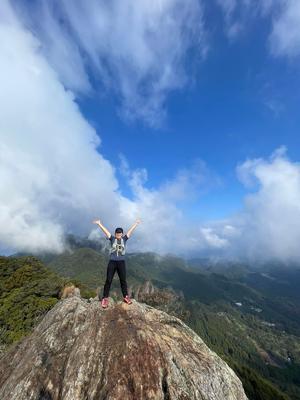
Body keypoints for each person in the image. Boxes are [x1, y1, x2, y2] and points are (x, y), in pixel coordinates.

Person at [92, 218, 141, 308]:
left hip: (121, 263)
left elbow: (130, 232)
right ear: (115, 234)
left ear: (122, 234)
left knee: (123, 280)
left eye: (120, 233)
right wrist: (99, 224)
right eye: (117, 233)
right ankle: (105, 298)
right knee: (109, 280)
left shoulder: (124, 239)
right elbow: (106, 232)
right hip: (112, 262)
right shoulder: (112, 239)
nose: (118, 234)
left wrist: (136, 224)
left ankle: (126, 296)